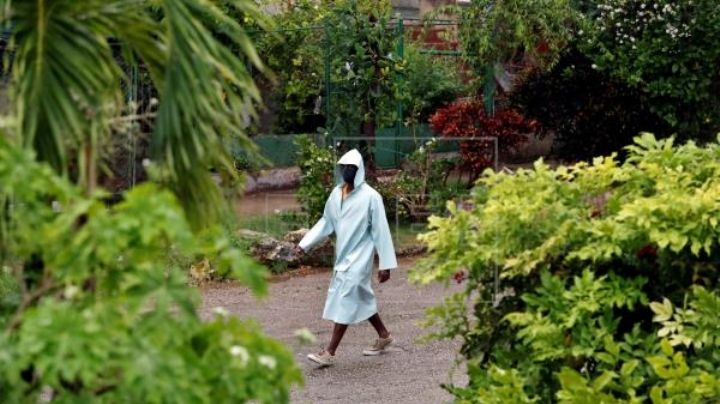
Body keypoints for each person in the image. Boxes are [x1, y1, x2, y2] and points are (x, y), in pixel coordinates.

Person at [295, 148, 397, 367]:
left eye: (351, 168)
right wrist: (305, 244)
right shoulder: (336, 194)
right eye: (344, 167)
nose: (347, 171)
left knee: (346, 298)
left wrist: (385, 265)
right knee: (360, 297)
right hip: (343, 256)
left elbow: (381, 230)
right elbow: (326, 222)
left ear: (359, 171)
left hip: (361, 257)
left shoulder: (371, 197)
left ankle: (329, 352)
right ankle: (384, 335)